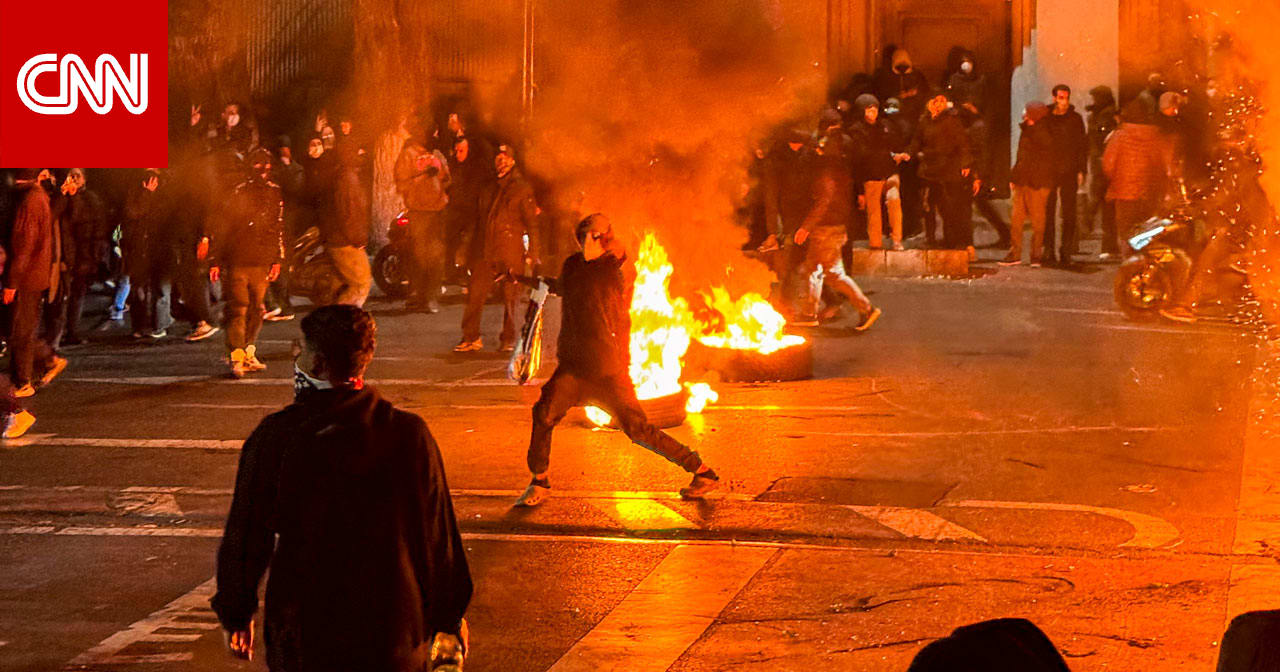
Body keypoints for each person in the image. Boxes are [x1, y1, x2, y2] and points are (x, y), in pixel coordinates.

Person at [212, 304, 472, 671]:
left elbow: (247, 534)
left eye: (300, 351)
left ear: (317, 363)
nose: (297, 360)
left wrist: (236, 611)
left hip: (307, 629)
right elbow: (437, 534)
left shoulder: (279, 437)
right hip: (392, 628)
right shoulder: (408, 434)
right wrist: (448, 617)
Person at [511, 214, 721, 507]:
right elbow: (558, 286)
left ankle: (702, 471)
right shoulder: (572, 266)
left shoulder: (609, 272)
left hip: (606, 369)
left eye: (594, 234)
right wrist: (517, 277)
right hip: (573, 366)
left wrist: (623, 360)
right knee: (544, 413)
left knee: (638, 430)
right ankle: (539, 481)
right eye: (585, 233)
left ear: (601, 239)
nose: (588, 239)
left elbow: (622, 320)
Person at [791, 137, 882, 330]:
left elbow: (823, 201)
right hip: (834, 227)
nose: (818, 151)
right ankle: (809, 314)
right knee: (813, 269)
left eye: (821, 148)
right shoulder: (841, 170)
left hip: (827, 229)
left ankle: (866, 309)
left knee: (833, 274)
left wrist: (806, 227)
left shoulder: (827, 173)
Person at [209, 148, 284, 379]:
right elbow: (224, 227)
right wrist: (217, 260)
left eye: (266, 165)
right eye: (258, 165)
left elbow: (279, 227)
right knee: (239, 310)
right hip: (239, 260)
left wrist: (277, 259)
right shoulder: (238, 192)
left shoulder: (274, 193)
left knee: (256, 310)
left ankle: (247, 352)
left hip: (260, 261)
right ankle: (237, 357)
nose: (263, 170)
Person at [456, 145, 537, 353]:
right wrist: (465, 249)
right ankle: (471, 337)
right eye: (498, 158)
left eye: (505, 157)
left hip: (510, 251)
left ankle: (508, 339)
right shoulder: (488, 187)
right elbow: (477, 220)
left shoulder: (522, 188)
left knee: (511, 298)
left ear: (513, 161)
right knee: (475, 293)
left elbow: (532, 224)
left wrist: (533, 253)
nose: (501, 161)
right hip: (486, 250)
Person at [5, 169, 66, 398]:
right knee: (22, 327)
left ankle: (22, 381)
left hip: (25, 277)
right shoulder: (36, 196)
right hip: (33, 275)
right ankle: (46, 361)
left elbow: (24, 245)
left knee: (20, 330)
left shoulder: (28, 200)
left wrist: (11, 282)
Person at [1103, 100, 1175, 251]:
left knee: (1125, 230)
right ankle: (1144, 261)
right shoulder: (1156, 135)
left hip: (1124, 192)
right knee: (1146, 231)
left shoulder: (1120, 136)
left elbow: (1108, 164)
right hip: (1149, 192)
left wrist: (1114, 181)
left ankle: (1129, 262)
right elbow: (1163, 164)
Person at [394, 123, 452, 313]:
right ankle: (415, 296)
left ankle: (430, 298)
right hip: (419, 212)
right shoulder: (408, 154)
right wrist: (423, 175)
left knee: (436, 256)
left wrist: (440, 174)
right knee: (418, 255)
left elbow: (447, 179)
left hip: (437, 212)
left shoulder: (437, 155)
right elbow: (401, 184)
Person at [911, 93, 975, 257]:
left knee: (948, 207)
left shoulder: (952, 121)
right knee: (928, 206)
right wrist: (909, 153)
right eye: (935, 101)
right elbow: (916, 141)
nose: (938, 105)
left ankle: (951, 239)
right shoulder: (924, 121)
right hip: (929, 170)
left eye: (942, 102)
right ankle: (930, 237)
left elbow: (962, 143)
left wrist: (965, 163)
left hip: (947, 170)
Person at [56, 168, 108, 346]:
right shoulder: (62, 198)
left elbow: (88, 223)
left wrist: (96, 256)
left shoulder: (90, 199)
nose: (75, 179)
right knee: (63, 296)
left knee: (76, 295)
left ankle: (72, 331)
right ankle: (57, 333)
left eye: (78, 176)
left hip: (83, 255)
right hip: (66, 254)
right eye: (71, 175)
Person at [849, 94, 907, 251]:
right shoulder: (857, 130)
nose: (873, 111)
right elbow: (860, 157)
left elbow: (893, 145)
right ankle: (875, 243)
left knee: (894, 202)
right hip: (871, 174)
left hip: (889, 171)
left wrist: (896, 155)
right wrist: (859, 189)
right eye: (869, 108)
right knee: (874, 211)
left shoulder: (885, 126)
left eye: (875, 108)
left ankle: (897, 240)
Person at [1001, 102, 1056, 266]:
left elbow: (1042, 159)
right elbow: (1022, 158)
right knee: (1017, 219)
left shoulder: (1043, 133)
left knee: (1037, 221)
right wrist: (1014, 176)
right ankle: (1015, 252)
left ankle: (1036, 255)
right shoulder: (1027, 131)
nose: (1024, 114)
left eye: (1027, 112)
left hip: (1037, 184)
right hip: (1022, 181)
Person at [123, 169, 172, 339]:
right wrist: (146, 194)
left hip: (156, 245)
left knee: (159, 288)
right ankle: (141, 325)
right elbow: (132, 212)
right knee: (140, 289)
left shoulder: (166, 189)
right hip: (140, 246)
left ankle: (159, 324)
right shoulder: (135, 188)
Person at [328, 124, 373, 307]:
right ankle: (343, 323)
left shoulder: (341, 174)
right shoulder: (348, 179)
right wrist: (359, 239)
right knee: (361, 283)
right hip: (345, 241)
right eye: (358, 150)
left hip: (337, 238)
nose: (362, 154)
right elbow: (349, 213)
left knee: (340, 285)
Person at [1043, 85, 1088, 266]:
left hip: (1069, 169)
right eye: (1060, 97)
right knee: (1048, 211)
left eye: (1066, 98)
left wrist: (1081, 169)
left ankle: (1066, 251)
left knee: (1069, 212)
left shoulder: (1075, 119)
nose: (1064, 101)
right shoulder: (1046, 117)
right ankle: (1048, 249)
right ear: (1054, 98)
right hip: (1049, 169)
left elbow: (1081, 145)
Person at [264, 136, 305, 321]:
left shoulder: (295, 170)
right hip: (277, 222)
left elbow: (294, 190)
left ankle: (283, 304)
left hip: (286, 223)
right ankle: (276, 304)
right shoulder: (275, 170)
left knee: (280, 264)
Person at [445, 136, 493, 286]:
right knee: (451, 243)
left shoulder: (478, 168)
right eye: (456, 151)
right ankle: (452, 273)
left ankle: (467, 272)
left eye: (462, 151)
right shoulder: (452, 165)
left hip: (472, 213)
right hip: (454, 212)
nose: (458, 154)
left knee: (469, 244)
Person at [1084, 85, 1120, 258]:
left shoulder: (1108, 116)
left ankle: (1109, 245)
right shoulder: (1097, 115)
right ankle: (1107, 244)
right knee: (1103, 205)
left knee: (1105, 206)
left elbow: (1104, 139)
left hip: (1105, 165)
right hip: (1097, 164)